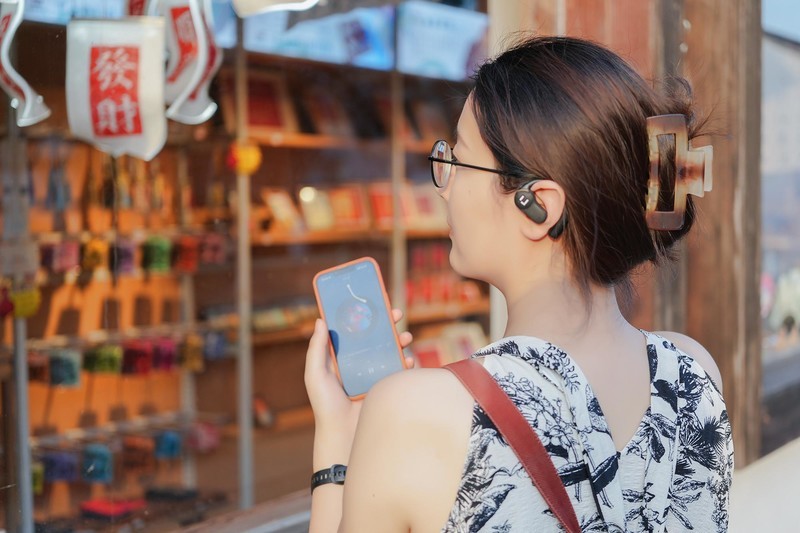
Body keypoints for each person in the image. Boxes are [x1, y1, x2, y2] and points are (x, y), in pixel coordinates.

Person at [304, 34, 733, 532]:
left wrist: (337, 443)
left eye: (457, 160)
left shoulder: (415, 412)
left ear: (538, 206)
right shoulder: (694, 373)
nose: (443, 187)